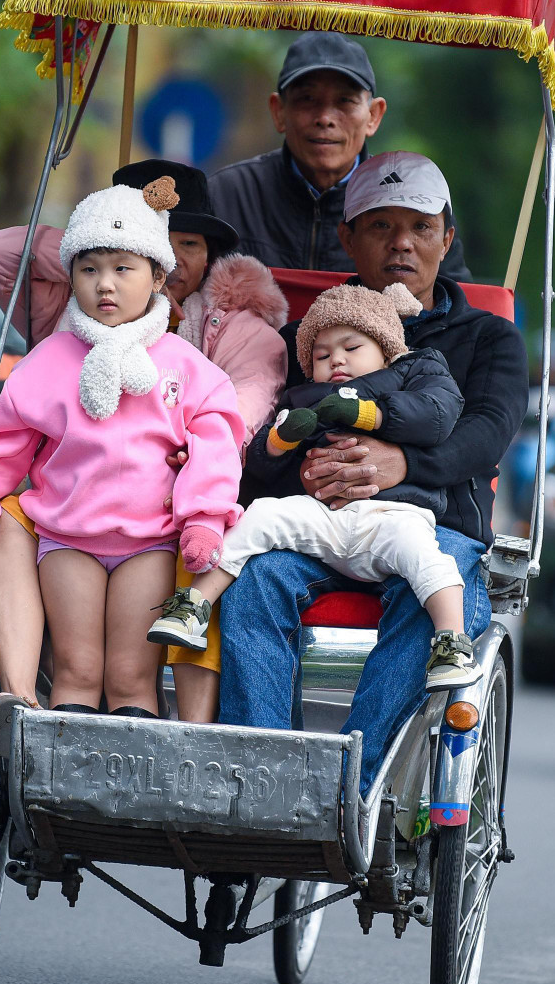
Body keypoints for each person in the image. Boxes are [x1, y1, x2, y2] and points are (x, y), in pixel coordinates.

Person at [216, 152, 526, 792]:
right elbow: (270, 438)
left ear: (447, 236)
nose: (402, 244)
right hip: (317, 523)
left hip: (433, 524)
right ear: (347, 238)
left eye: (419, 227)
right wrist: (297, 472)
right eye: (380, 227)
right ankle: (263, 785)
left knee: (429, 596)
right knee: (255, 582)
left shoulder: (487, 336)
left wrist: (401, 464)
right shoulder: (312, 339)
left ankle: (354, 790)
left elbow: (488, 434)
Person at [0, 160, 288, 721]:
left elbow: (229, 422)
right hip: (69, 523)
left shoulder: (214, 345)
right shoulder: (62, 339)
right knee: (77, 666)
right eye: (92, 269)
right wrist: (106, 232)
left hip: (162, 520)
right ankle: (39, 739)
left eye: (184, 242)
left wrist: (199, 495)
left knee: (129, 673)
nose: (108, 283)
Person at [148, 282, 474, 686]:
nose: (336, 359)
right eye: (322, 354)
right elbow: (262, 466)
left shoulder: (411, 370)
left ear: (387, 348)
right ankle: (194, 605)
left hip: (391, 514)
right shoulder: (302, 397)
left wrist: (370, 414)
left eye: (351, 348)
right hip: (322, 516)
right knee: (262, 516)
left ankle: (451, 643)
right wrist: (281, 441)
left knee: (428, 558)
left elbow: (437, 413)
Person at [211, 32, 472, 278]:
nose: (325, 118)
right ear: (279, 111)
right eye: (307, 99)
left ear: (373, 115)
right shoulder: (225, 196)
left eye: (345, 101)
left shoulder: (420, 206)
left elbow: (457, 311)